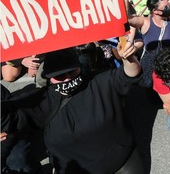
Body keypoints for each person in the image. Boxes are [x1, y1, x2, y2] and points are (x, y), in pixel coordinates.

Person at [1, 43, 145, 174]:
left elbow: (128, 75)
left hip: (121, 162)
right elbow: (9, 116)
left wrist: (128, 58)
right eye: (60, 76)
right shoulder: (42, 101)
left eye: (72, 72)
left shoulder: (100, 83)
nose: (67, 79)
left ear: (80, 68)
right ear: (49, 78)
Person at [123, 0, 170, 88]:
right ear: (155, 11)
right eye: (165, 7)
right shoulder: (145, 22)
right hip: (150, 71)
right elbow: (128, 19)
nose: (168, 8)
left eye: (168, 6)